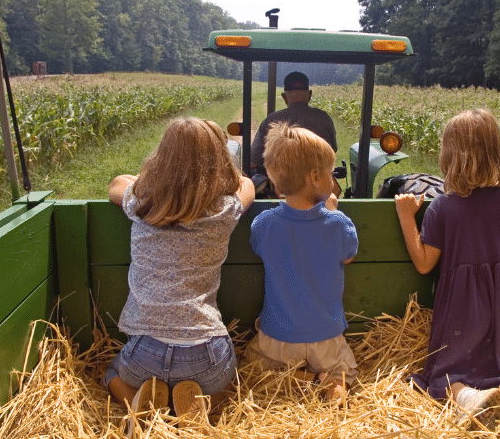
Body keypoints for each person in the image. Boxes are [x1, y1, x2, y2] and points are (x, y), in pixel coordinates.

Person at [394, 109, 500, 430]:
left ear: (448, 156)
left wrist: (405, 217)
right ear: (497, 153)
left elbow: (424, 262)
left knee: (447, 371)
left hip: (462, 311)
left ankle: (469, 398)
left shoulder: (443, 208)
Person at [104, 117, 255, 425]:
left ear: (162, 158)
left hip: (145, 353)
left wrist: (154, 181)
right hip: (206, 355)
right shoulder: (225, 210)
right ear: (220, 160)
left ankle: (137, 402)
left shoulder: (142, 202)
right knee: (228, 386)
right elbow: (247, 185)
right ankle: (197, 405)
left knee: (111, 373)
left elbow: (116, 184)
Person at [246, 122, 359, 405]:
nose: (333, 180)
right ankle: (332, 383)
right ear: (316, 177)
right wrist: (333, 211)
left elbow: (260, 248)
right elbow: (348, 256)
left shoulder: (264, 224)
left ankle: (302, 379)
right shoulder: (338, 224)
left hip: (279, 338)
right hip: (326, 339)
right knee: (345, 370)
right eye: (331, 174)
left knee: (253, 363)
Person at [249, 71, 337, 171]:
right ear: (309, 95)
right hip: (319, 180)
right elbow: (333, 149)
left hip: (281, 182)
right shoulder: (324, 117)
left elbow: (253, 160)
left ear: (284, 97)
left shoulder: (271, 120)